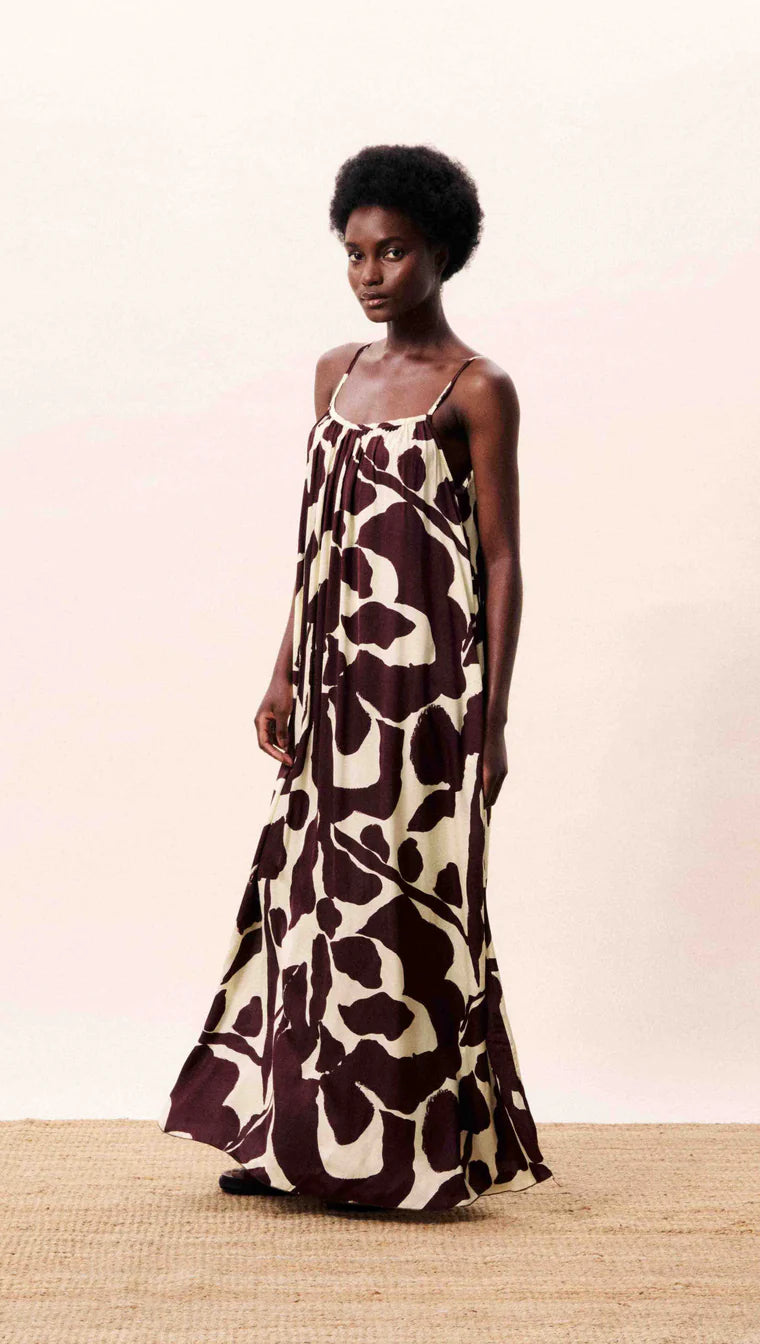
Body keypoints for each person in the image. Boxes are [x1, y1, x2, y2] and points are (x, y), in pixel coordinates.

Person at [158, 143, 554, 1214]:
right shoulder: (333, 375)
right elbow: (316, 543)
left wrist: (492, 720)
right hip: (332, 683)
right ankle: (294, 1138)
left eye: (394, 251)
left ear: (442, 252)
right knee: (309, 901)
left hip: (426, 695)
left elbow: (503, 559)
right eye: (355, 253)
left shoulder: (479, 388)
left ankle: (412, 1154)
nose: (371, 273)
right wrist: (281, 670)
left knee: (408, 904)